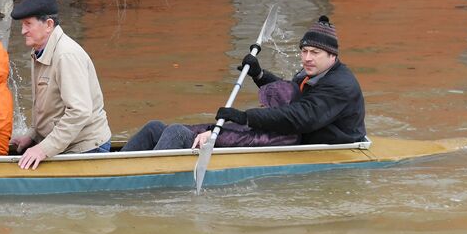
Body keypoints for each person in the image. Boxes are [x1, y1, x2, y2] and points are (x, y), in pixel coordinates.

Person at [206, 14, 366, 146]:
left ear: (333, 56)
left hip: (335, 145)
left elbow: (301, 116)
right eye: (304, 51)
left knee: (242, 131)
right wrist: (259, 75)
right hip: (304, 134)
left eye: (315, 52)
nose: (307, 58)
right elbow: (289, 94)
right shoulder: (313, 71)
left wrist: (247, 117)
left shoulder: (340, 85)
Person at [8, 0, 112, 169]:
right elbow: (48, 108)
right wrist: (32, 135)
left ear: (48, 25)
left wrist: (43, 149)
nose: (23, 30)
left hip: (87, 148)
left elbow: (79, 112)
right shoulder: (39, 50)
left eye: (28, 24)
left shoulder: (66, 55)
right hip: (65, 143)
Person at [121, 80, 299, 152]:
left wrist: (214, 134)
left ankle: (145, 174)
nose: (262, 106)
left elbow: (243, 139)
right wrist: (207, 129)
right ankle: (115, 166)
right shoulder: (270, 121)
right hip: (212, 139)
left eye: (266, 104)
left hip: (214, 146)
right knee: (155, 127)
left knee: (175, 131)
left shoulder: (283, 134)